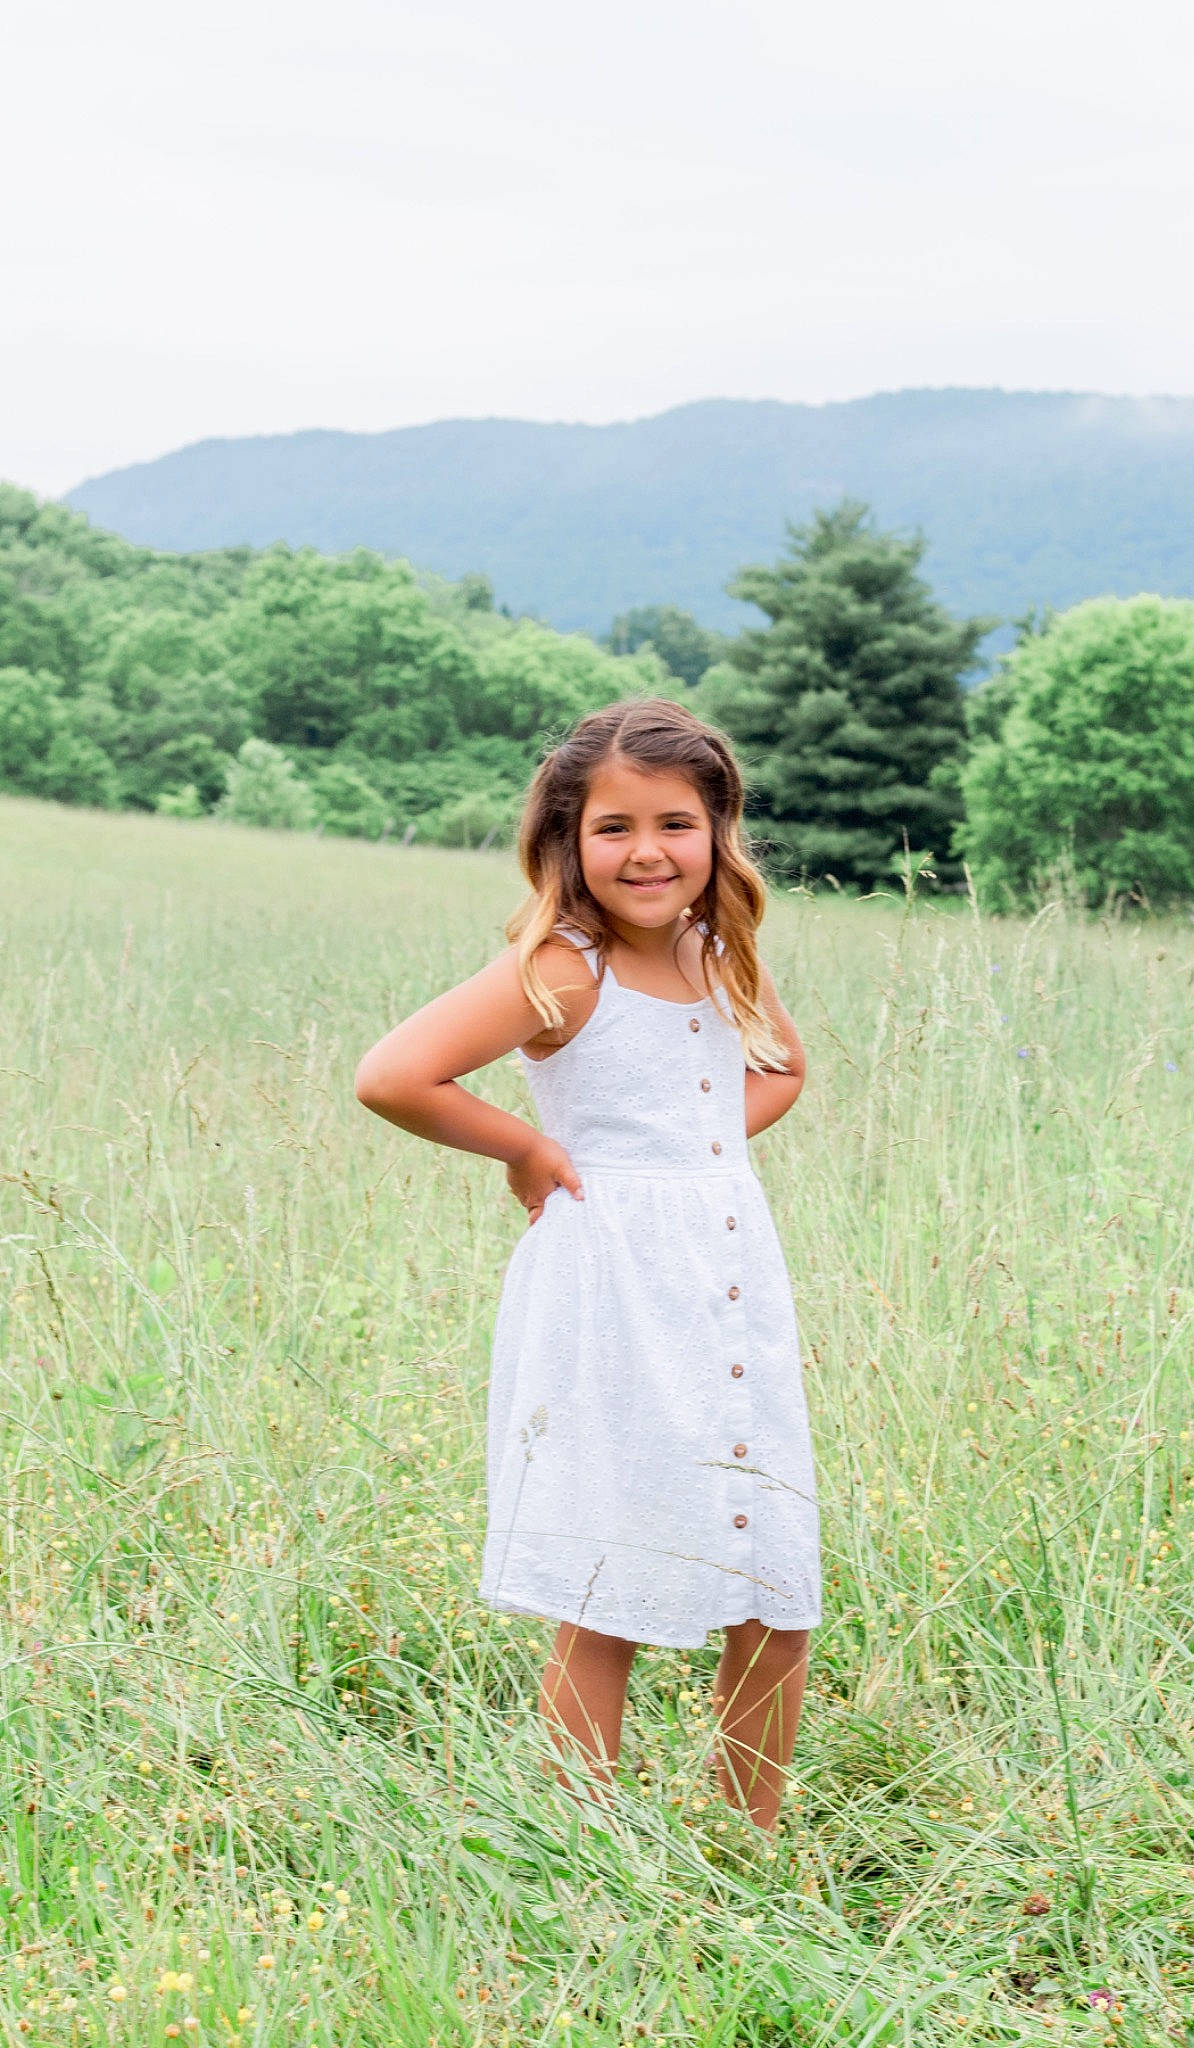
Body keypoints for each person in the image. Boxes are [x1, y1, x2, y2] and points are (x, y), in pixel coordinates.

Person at [354, 696, 821, 1831]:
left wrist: (691, 1157)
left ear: (718, 832)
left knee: (775, 1580)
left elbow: (785, 1066)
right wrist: (530, 1147)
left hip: (727, 1285)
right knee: (610, 1579)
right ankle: (586, 1856)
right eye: (613, 826)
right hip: (613, 1289)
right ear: (570, 840)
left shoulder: (722, 952)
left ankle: (746, 1844)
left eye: (676, 822)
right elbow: (393, 1073)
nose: (648, 850)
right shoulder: (564, 969)